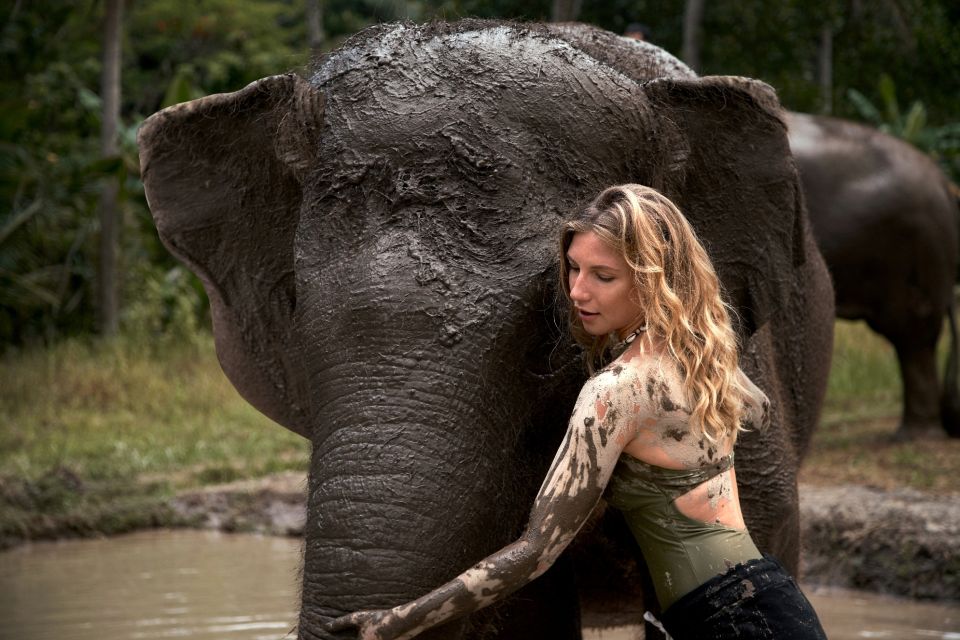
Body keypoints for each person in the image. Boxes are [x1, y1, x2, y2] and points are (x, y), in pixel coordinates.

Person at [326, 184, 827, 640]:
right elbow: (758, 413)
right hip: (766, 600)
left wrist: (395, 622)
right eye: (573, 267)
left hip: (733, 623)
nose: (577, 291)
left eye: (603, 276)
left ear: (653, 280)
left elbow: (536, 552)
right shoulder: (703, 354)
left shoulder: (615, 392)